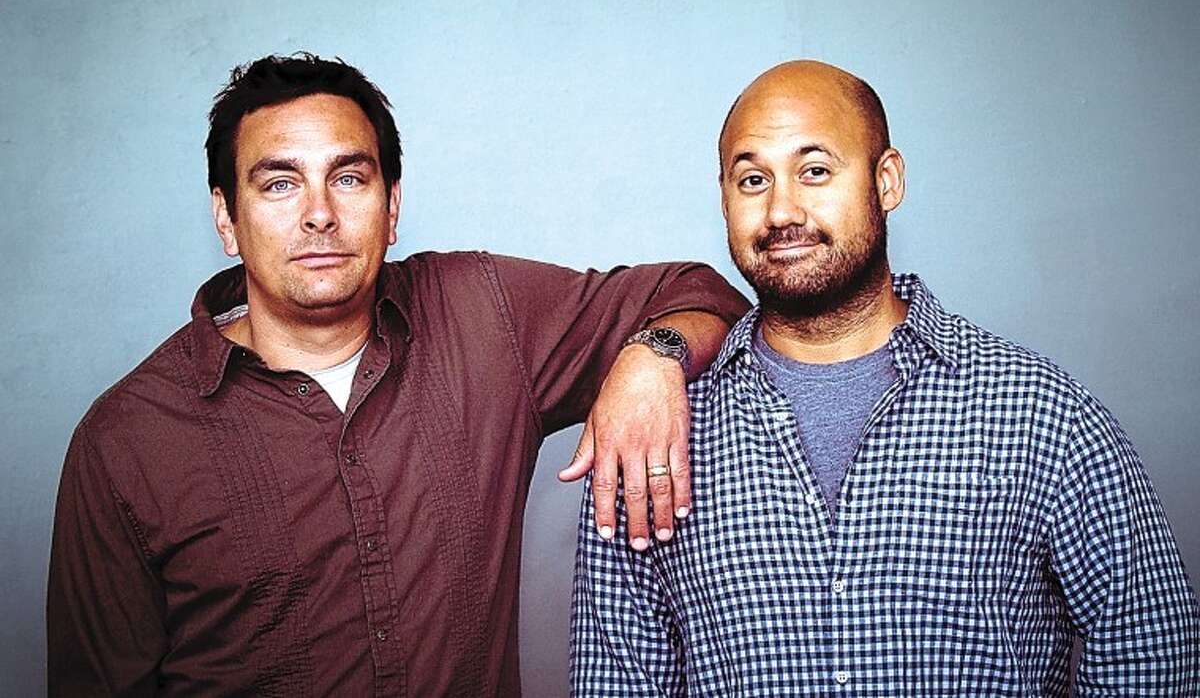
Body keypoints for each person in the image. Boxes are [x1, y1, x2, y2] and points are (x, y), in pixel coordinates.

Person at [46, 53, 749, 696]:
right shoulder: (127, 441)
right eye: (280, 183)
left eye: (349, 178)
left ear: (391, 208)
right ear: (226, 219)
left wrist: (653, 354)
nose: (319, 215)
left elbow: (702, 293)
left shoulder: (482, 314)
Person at [572, 60, 1200, 696]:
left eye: (815, 171)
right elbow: (615, 683)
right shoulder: (650, 435)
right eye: (753, 179)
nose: (781, 210)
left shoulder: (1041, 413)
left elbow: (1151, 654)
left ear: (887, 180)